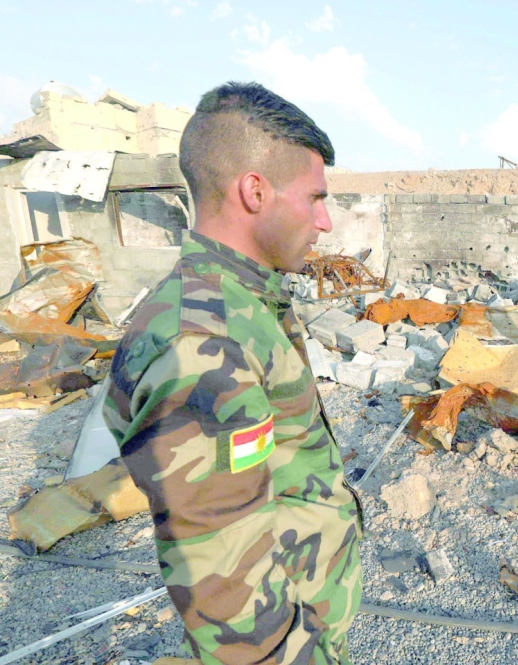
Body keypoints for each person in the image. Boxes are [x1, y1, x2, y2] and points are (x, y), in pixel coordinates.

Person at [103, 82, 362, 664]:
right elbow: (221, 578)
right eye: (315, 198)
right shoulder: (201, 341)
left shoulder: (240, 302)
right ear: (254, 191)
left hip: (306, 607)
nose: (324, 222)